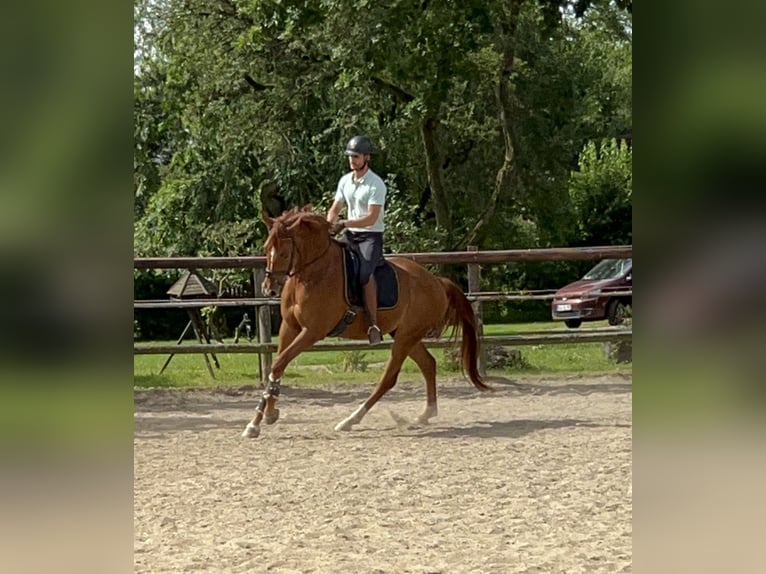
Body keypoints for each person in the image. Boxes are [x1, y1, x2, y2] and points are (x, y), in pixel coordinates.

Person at [326, 135, 387, 344]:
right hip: (351, 234)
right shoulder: (345, 181)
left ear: (366, 157)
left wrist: (344, 223)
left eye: (356, 156)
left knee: (364, 274)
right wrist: (328, 224)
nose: (352, 160)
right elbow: (335, 207)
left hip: (370, 237)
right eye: (350, 156)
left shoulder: (376, 184)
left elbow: (371, 217)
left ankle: (373, 324)